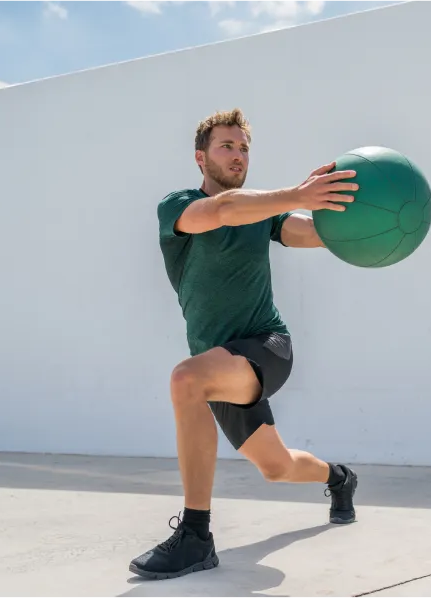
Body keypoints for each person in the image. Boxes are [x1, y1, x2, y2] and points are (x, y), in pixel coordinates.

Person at [128, 108, 361, 580]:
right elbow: (222, 211)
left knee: (185, 379)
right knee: (276, 467)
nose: (238, 156)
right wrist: (294, 194)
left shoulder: (265, 215)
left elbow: (316, 234)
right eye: (227, 146)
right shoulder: (177, 207)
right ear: (200, 157)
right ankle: (340, 478)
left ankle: (196, 536)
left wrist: (359, 221)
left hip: (267, 346)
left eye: (244, 148)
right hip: (222, 366)